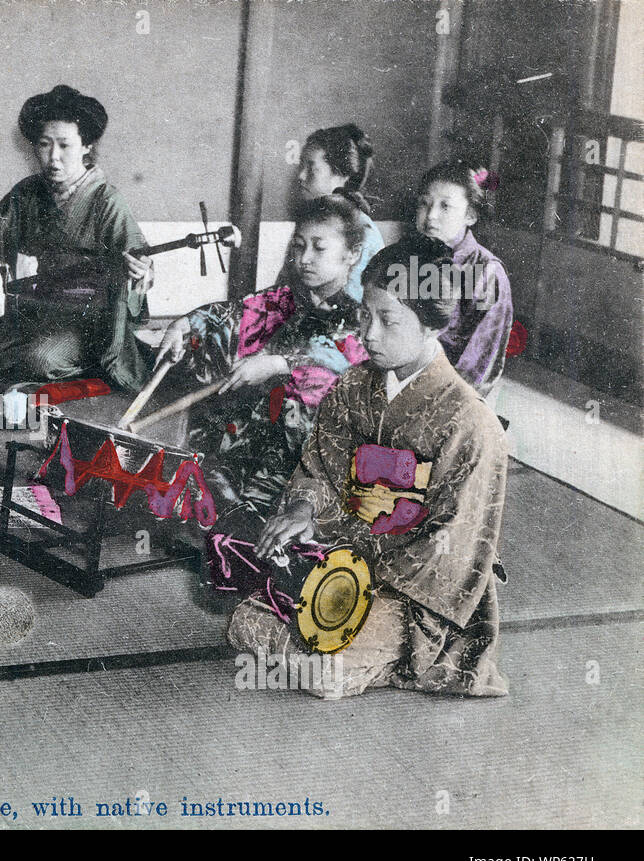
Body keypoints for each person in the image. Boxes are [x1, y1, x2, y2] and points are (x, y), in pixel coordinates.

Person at [229, 236, 510, 699]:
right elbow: (320, 465)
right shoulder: (354, 386)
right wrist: (304, 512)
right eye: (365, 316)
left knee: (326, 670)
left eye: (388, 319)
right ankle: (350, 655)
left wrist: (360, 570)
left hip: (414, 592)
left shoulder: (470, 421)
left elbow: (453, 540)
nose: (369, 334)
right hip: (343, 561)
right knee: (245, 622)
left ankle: (380, 659)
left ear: (431, 324)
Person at [154, 195, 369, 511]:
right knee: (215, 343)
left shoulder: (357, 315)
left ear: (352, 254)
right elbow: (239, 311)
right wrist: (185, 324)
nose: (305, 257)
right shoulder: (290, 297)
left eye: (319, 248)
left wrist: (279, 363)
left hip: (312, 440)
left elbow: (336, 359)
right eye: (299, 246)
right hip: (265, 424)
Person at [0, 84, 155, 392]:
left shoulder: (106, 200)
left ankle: (91, 362)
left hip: (88, 319)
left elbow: (137, 250)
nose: (53, 157)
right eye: (44, 144)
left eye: (65, 146)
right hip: (40, 308)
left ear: (86, 146)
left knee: (39, 360)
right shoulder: (28, 192)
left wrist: (141, 270)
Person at [412, 160, 514, 398]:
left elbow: (478, 365)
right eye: (424, 204)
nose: (431, 216)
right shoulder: (407, 255)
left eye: (445, 206)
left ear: (470, 215)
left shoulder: (486, 272)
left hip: (448, 393)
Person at [281, 124, 383, 301]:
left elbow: (353, 304)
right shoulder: (309, 224)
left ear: (343, 175)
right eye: (301, 167)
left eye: (312, 168)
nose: (301, 176)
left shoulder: (362, 230)